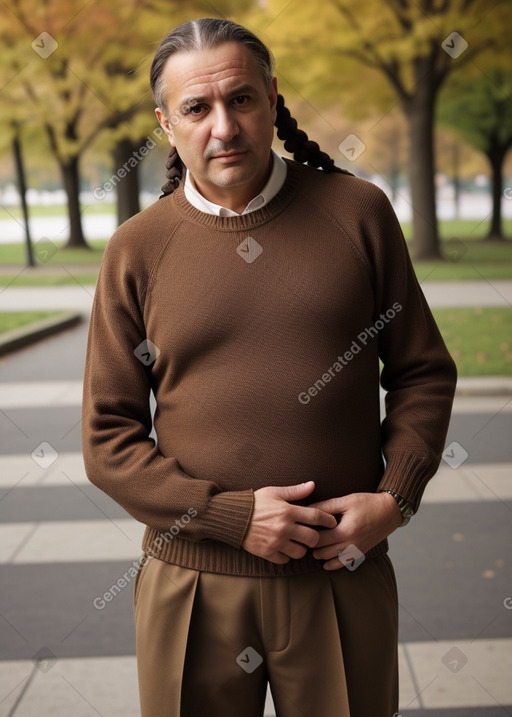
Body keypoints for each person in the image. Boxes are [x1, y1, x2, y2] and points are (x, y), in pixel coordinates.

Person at [82, 17, 457, 717]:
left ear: (273, 98)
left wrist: (395, 497)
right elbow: (108, 442)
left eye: (242, 99)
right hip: (192, 582)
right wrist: (229, 517)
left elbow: (423, 371)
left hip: (340, 570)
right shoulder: (136, 250)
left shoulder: (358, 212)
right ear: (167, 124)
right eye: (197, 108)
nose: (224, 126)